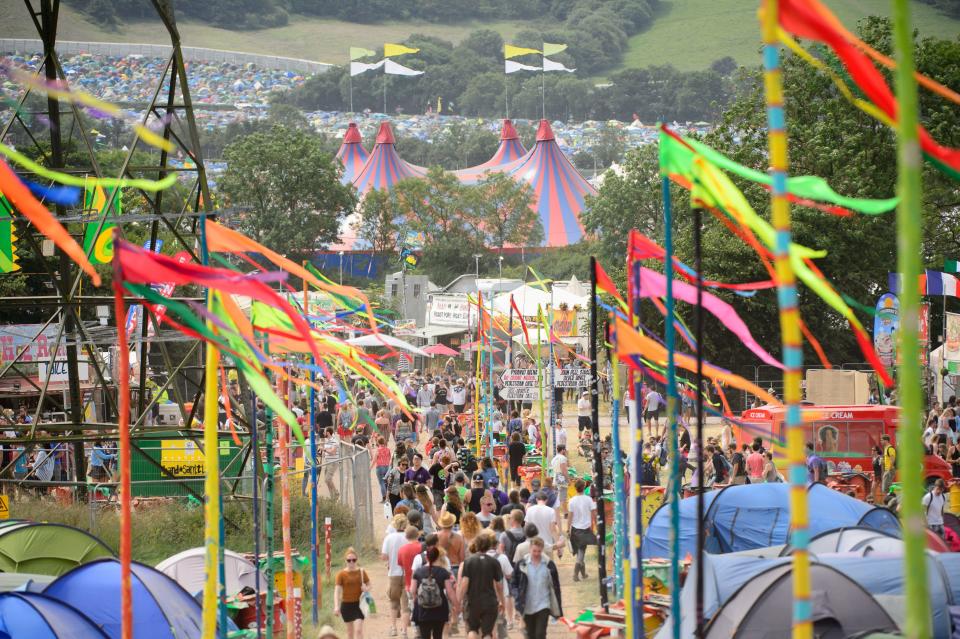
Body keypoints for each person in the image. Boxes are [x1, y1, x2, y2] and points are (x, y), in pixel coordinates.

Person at [512, 537, 563, 639]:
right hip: (527, 606)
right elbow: (514, 584)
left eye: (539, 551)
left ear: (542, 549)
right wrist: (517, 599)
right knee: (530, 635)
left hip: (543, 605)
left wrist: (558, 606)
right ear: (530, 548)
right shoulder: (522, 564)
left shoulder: (549, 565)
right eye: (534, 551)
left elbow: (556, 586)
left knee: (540, 634)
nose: (536, 553)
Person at [457, 532, 505, 639]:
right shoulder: (494, 562)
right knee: (487, 633)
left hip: (472, 602)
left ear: (476, 545)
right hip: (490, 601)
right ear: (489, 545)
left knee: (472, 629)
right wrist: (502, 601)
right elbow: (499, 585)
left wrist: (459, 601)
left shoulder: (468, 561)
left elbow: (464, 584)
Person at [411, 546, 458, 639]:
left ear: (426, 557)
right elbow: (449, 591)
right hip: (439, 608)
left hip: (422, 608)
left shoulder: (418, 572)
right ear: (437, 557)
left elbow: (413, 590)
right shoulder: (443, 572)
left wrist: (415, 601)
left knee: (424, 636)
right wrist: (456, 604)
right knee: (438, 635)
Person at [334, 547, 371, 639]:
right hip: (346, 605)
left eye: (354, 560)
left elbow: (370, 585)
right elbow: (337, 591)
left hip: (360, 604)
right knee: (350, 632)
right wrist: (336, 606)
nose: (351, 562)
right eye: (349, 560)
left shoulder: (361, 572)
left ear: (356, 560)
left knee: (358, 630)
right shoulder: (341, 574)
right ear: (345, 560)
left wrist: (366, 588)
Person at [567, 479, 596, 581]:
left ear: (575, 488)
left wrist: (567, 529)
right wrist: (596, 525)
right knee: (581, 551)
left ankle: (583, 574)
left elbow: (569, 517)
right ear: (584, 487)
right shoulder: (588, 500)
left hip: (575, 529)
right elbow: (594, 514)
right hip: (585, 529)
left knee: (580, 551)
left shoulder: (571, 500)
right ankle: (575, 574)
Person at [549, 445, 569, 513]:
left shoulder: (554, 458)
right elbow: (564, 470)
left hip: (555, 478)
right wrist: (568, 479)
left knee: (556, 496)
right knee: (563, 496)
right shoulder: (563, 458)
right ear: (563, 450)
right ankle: (565, 512)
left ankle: (556, 511)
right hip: (561, 478)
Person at [374, 436, 392, 502]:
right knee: (386, 483)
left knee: (381, 483)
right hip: (387, 467)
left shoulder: (378, 450)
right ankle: (388, 497)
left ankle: (384, 497)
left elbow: (374, 460)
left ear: (378, 442)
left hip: (379, 467)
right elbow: (390, 459)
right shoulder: (388, 449)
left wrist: (370, 468)